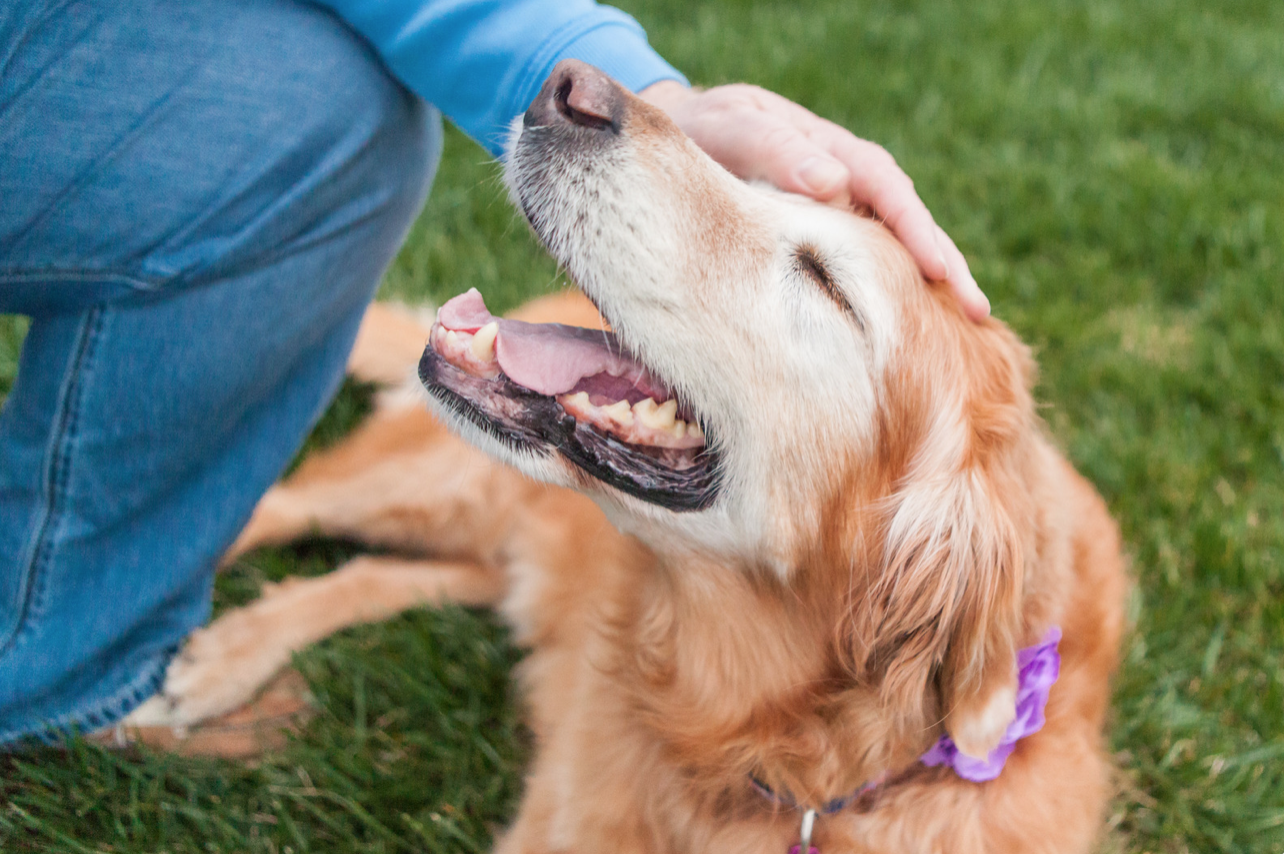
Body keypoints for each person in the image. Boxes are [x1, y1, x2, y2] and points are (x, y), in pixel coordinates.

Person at [0, 0, 987, 748]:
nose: (580, 98)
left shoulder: (946, 560)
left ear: (913, 561)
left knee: (332, 105)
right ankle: (82, 633)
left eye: (818, 283)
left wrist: (675, 102)